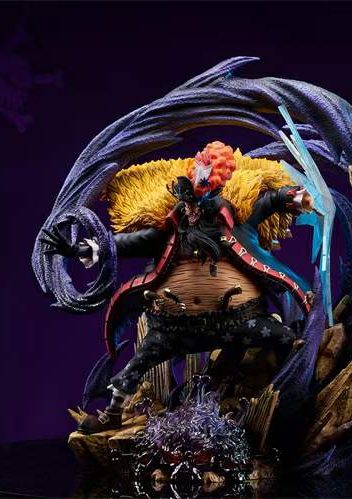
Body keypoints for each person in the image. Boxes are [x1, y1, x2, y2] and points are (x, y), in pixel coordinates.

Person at [41, 141, 314, 434]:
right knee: (136, 365)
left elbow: (268, 203)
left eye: (198, 205)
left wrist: (295, 196)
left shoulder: (234, 226)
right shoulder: (170, 232)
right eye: (188, 204)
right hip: (174, 328)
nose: (192, 210)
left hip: (239, 320)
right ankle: (112, 415)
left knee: (289, 341)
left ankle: (297, 399)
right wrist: (81, 248)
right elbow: (127, 243)